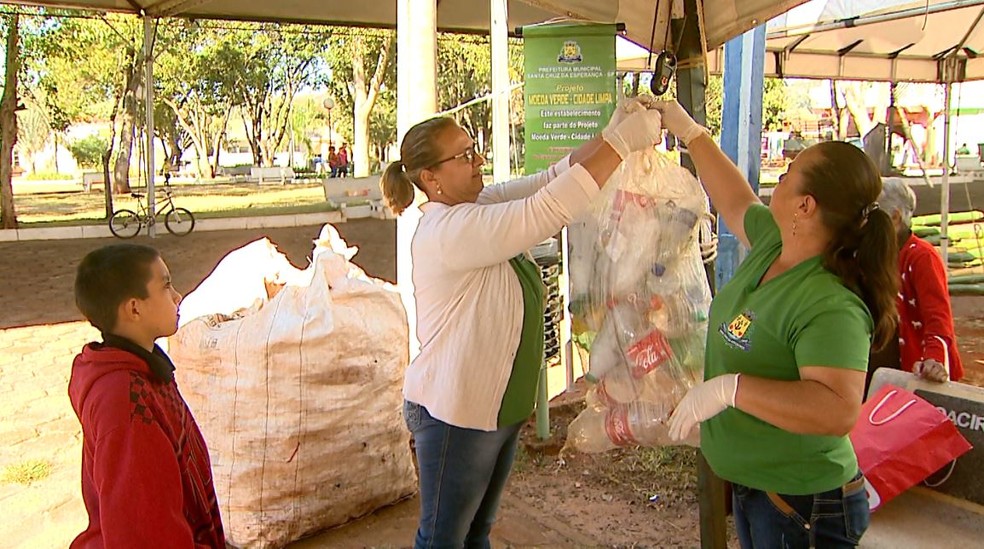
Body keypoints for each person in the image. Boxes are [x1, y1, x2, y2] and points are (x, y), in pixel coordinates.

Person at [380, 100, 663, 548]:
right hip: (458, 413)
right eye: (464, 155)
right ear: (431, 179)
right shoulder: (449, 231)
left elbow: (551, 180)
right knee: (443, 539)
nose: (478, 161)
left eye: (473, 149)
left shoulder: (476, 205)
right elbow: (546, 210)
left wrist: (612, 135)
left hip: (496, 409)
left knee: (476, 532)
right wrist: (623, 142)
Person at [659, 99, 898, 548]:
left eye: (790, 172)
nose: (781, 173)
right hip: (763, 491)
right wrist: (690, 132)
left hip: (803, 502)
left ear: (805, 206)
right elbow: (735, 198)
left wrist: (729, 389)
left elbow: (838, 408)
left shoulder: (830, 302)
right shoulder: (776, 244)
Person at [69, 244, 225, 548]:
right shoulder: (125, 404)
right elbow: (143, 529)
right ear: (134, 308)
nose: (177, 296)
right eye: (166, 285)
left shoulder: (143, 368)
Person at [869, 178, 963, 386]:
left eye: (873, 216)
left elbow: (938, 315)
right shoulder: (877, 254)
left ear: (894, 217)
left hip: (915, 372)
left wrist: (934, 358)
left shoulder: (922, 257)